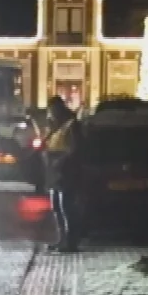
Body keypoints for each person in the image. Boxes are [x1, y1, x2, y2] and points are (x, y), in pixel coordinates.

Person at [42, 95, 84, 252]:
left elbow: (73, 149)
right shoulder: (55, 127)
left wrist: (60, 160)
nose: (51, 114)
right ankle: (61, 240)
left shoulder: (71, 125)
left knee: (66, 207)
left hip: (66, 173)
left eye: (52, 110)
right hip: (54, 173)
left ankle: (71, 242)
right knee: (56, 208)